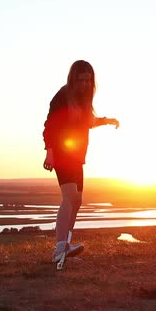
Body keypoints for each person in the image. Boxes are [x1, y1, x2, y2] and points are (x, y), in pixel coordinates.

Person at [42, 60, 119, 269]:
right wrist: (50, 153)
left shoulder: (84, 100)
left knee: (77, 199)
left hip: (76, 155)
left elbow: (88, 121)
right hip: (61, 153)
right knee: (69, 197)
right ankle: (60, 248)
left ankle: (65, 245)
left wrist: (106, 120)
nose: (85, 84)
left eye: (88, 80)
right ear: (73, 79)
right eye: (81, 79)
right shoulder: (62, 96)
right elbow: (49, 126)